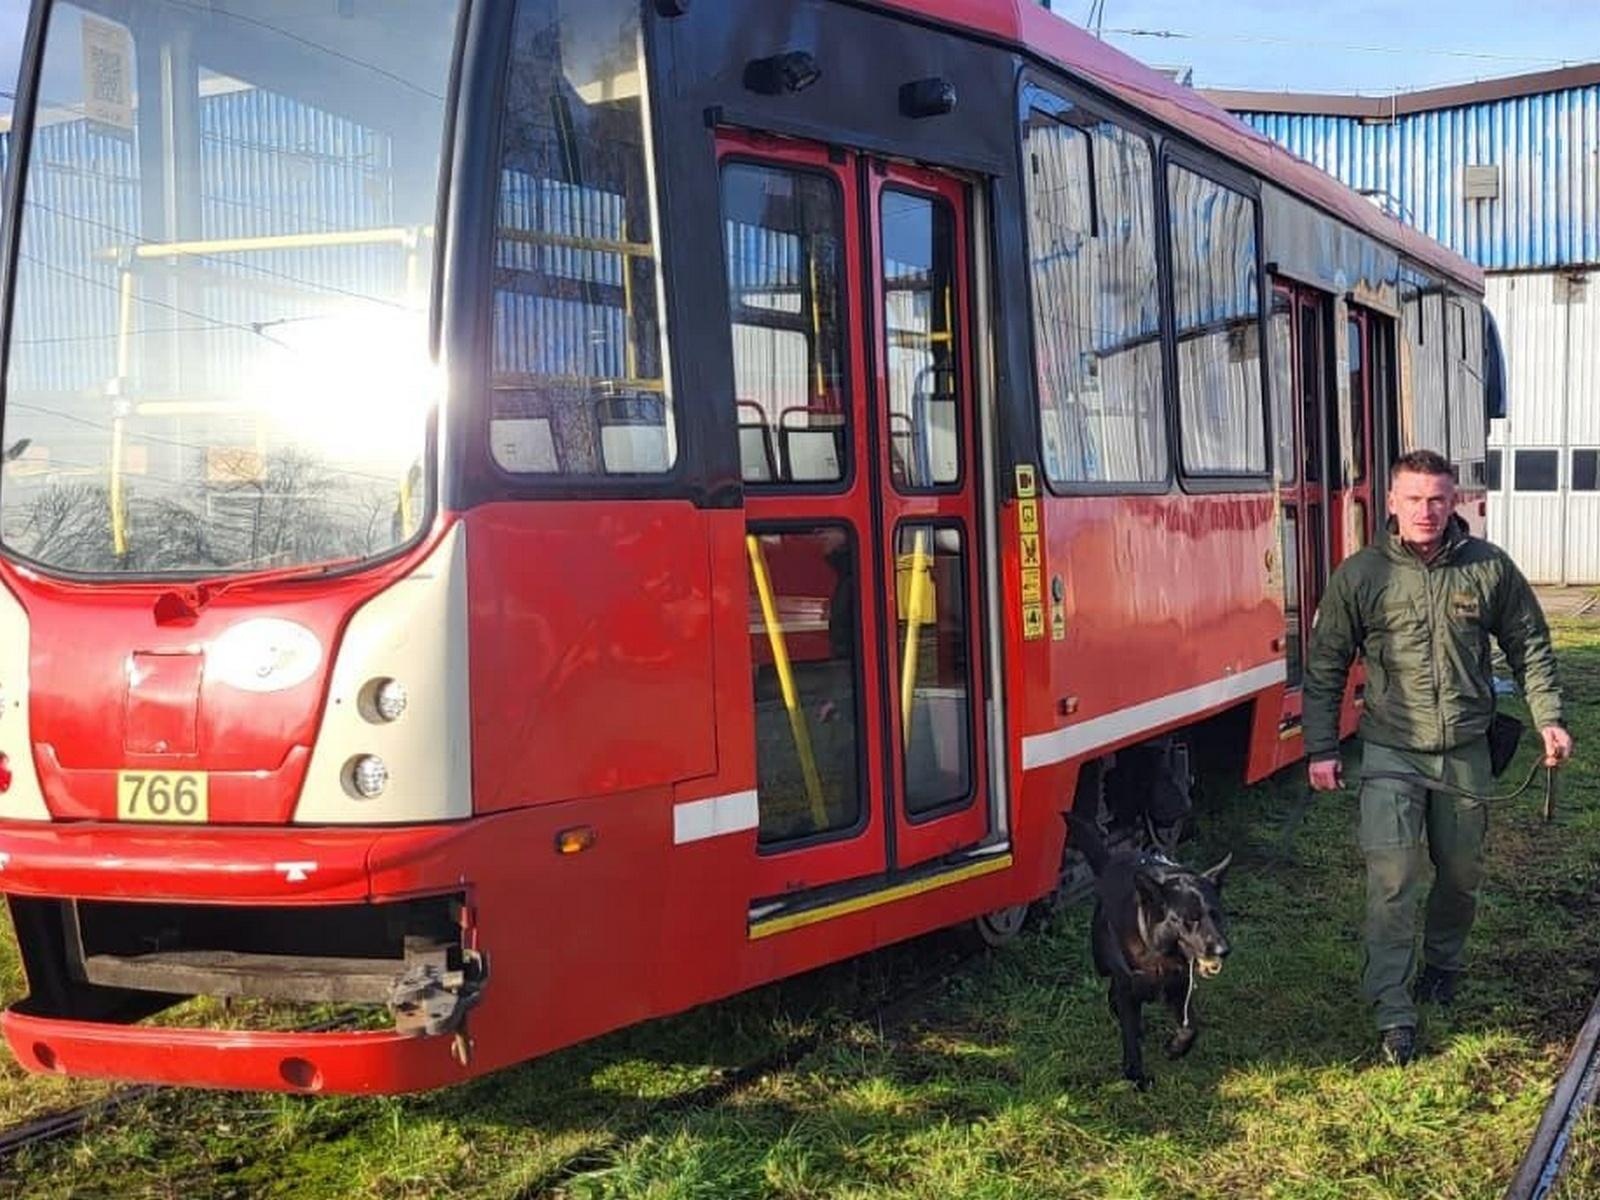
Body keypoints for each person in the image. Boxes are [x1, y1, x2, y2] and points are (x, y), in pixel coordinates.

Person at [1303, 449, 1573, 1067]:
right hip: (1391, 751)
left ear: (1454, 502)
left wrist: (1549, 717)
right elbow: (1323, 667)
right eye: (1414, 499)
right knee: (1393, 879)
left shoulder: (1489, 569)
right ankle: (1393, 1009)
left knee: (1460, 873)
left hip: (1465, 753)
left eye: (1438, 499)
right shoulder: (1360, 575)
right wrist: (1321, 746)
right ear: (1390, 503)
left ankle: (1443, 964)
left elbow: (1530, 644)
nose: (1426, 511)